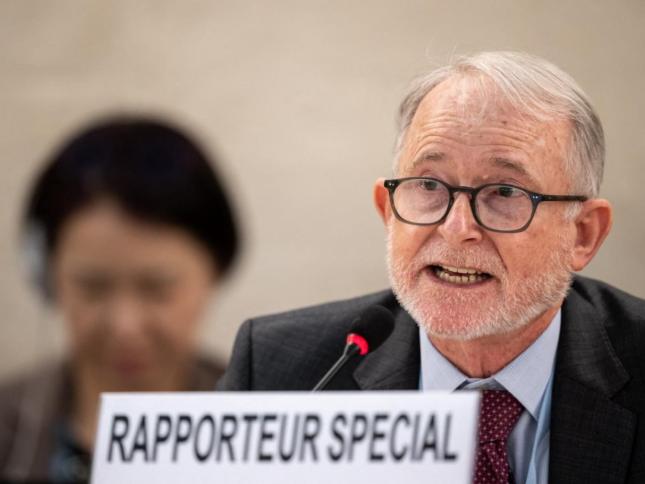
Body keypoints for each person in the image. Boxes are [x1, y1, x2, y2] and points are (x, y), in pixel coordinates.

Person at [219, 52, 645, 483]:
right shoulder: (278, 372)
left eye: (504, 191)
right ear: (388, 211)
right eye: (428, 184)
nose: (456, 228)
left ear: (583, 234)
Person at [0, 116, 240, 482]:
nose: (125, 326)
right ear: (45, 276)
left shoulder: (267, 428)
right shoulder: (8, 431)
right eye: (92, 288)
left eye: (157, 288)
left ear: (216, 272)